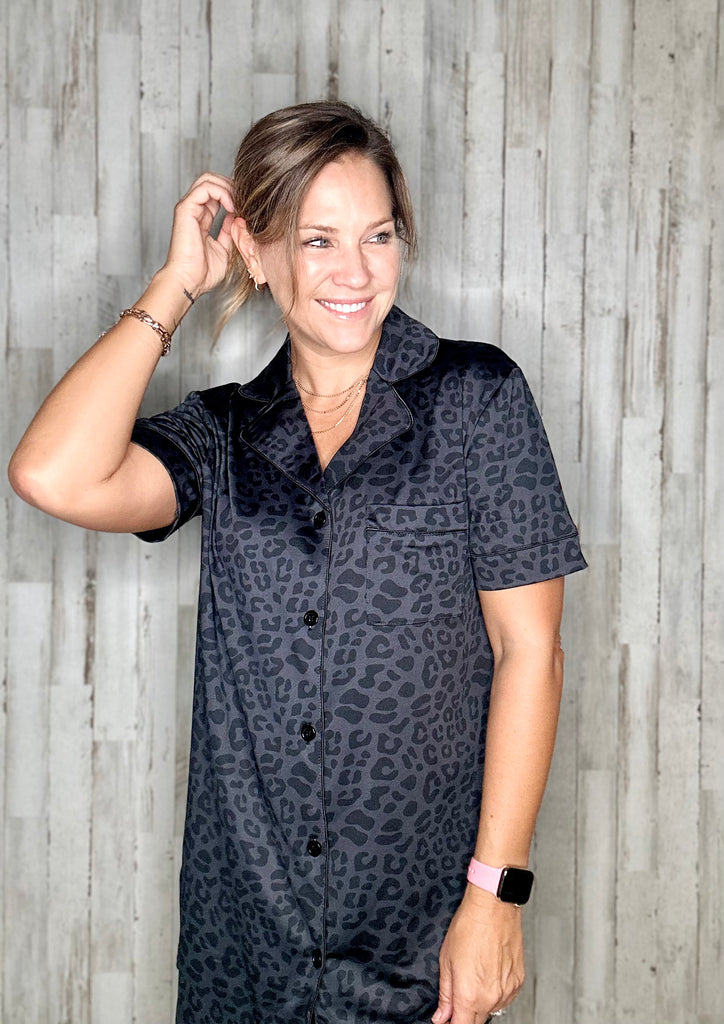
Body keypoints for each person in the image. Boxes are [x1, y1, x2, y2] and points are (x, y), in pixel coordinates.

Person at [9, 101, 586, 1024]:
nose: (355, 272)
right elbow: (52, 473)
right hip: (245, 946)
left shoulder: (478, 400)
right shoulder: (222, 432)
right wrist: (175, 285)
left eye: (377, 236)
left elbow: (532, 654)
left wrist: (496, 895)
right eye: (318, 241)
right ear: (257, 248)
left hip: (418, 940)